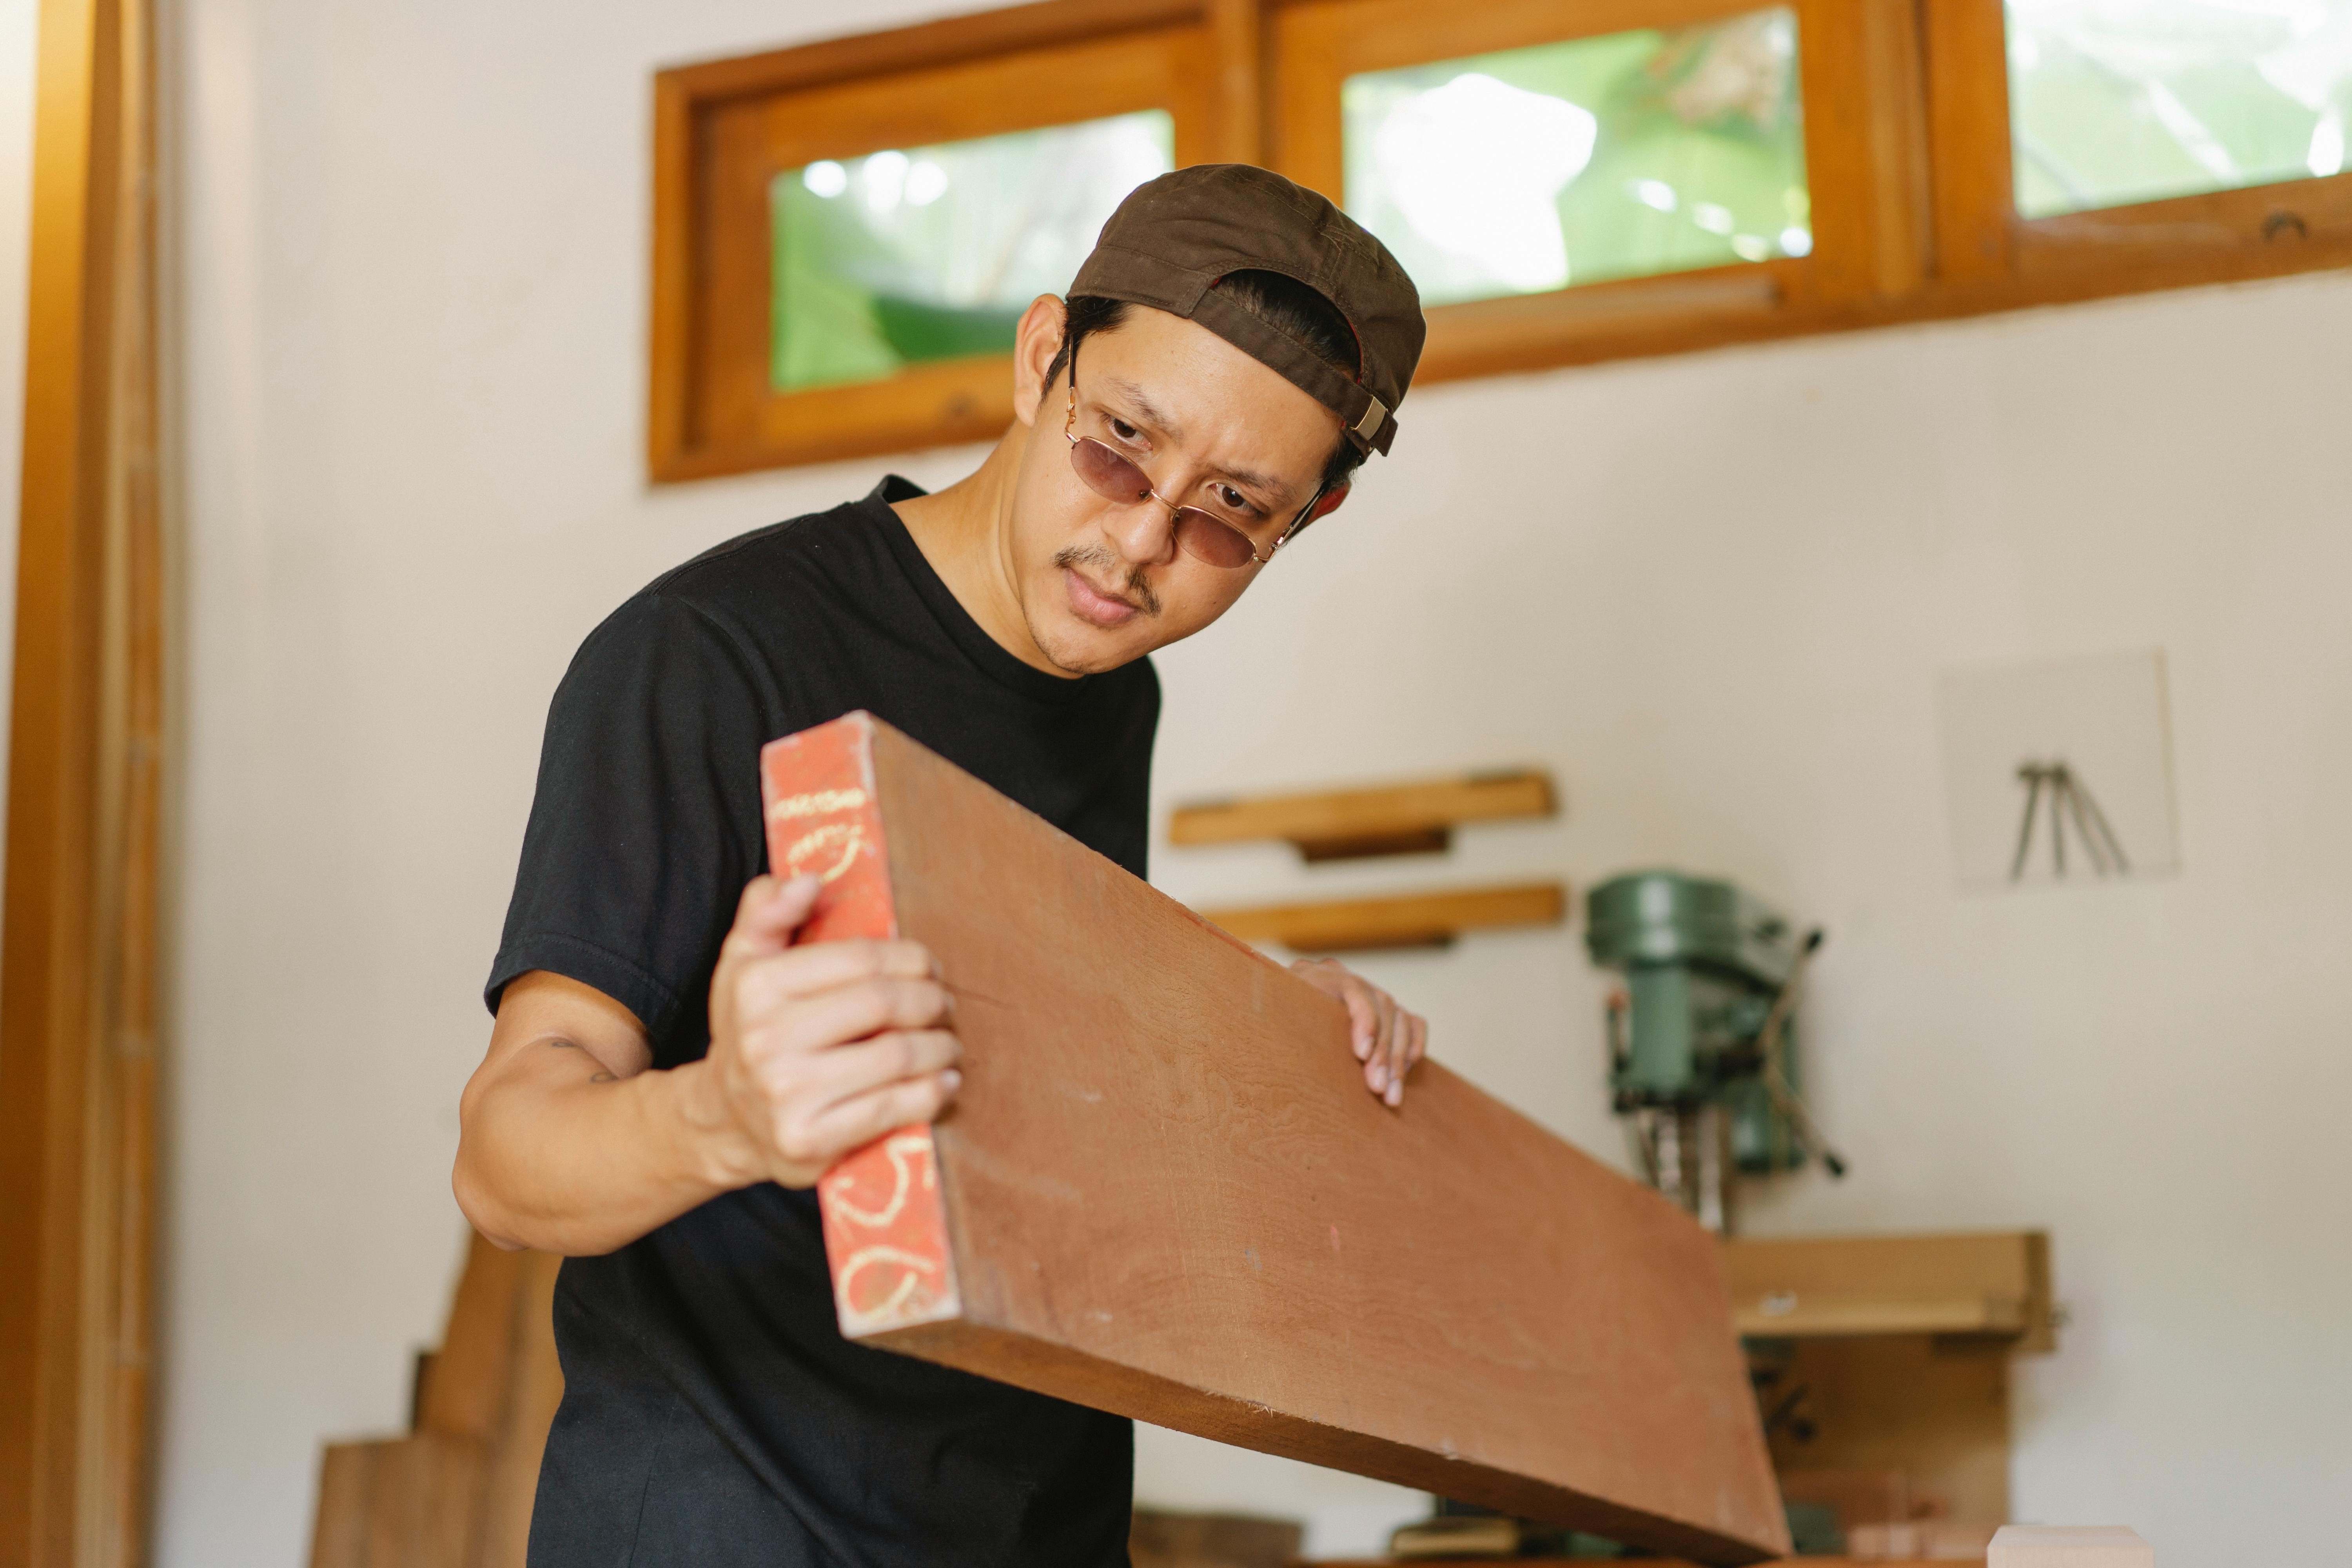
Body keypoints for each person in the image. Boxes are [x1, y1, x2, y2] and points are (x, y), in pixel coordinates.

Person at [454, 163, 1431, 1567]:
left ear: (1306, 521)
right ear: (1045, 359)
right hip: (731, 1517)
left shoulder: (1109, 690)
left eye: (1229, 514)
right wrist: (727, 1119)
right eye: (1120, 445)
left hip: (1027, 1516)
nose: (1139, 546)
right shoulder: (712, 654)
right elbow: (501, 1164)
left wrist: (1276, 1055)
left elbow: (1038, 1096)